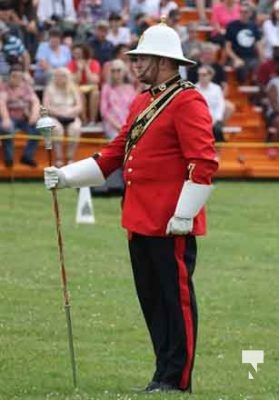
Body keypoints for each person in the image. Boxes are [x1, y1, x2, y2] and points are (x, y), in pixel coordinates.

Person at [44, 22, 218, 393]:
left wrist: (184, 214)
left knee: (176, 301)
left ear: (165, 61)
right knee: (153, 301)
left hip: (171, 221)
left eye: (142, 58)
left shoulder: (188, 100)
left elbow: (203, 162)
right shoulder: (144, 102)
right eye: (135, 58)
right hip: (140, 217)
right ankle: (162, 371)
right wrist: (65, 176)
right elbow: (113, 154)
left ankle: (177, 377)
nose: (135, 64)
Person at [0, 64, 40, 167]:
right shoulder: (3, 87)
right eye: (14, 76)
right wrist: (5, 118)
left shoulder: (27, 87)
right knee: (7, 129)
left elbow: (35, 101)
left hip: (24, 117)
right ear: (9, 76)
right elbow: (2, 103)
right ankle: (9, 159)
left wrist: (34, 115)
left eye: (19, 76)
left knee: (37, 129)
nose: (16, 79)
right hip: (9, 117)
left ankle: (27, 157)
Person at [42, 67, 82, 166]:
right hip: (54, 115)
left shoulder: (74, 88)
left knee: (75, 128)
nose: (59, 78)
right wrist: (58, 113)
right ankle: (58, 158)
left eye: (63, 76)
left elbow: (79, 106)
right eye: (57, 75)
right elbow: (46, 106)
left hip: (70, 115)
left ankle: (70, 157)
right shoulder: (49, 89)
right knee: (57, 129)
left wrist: (70, 112)